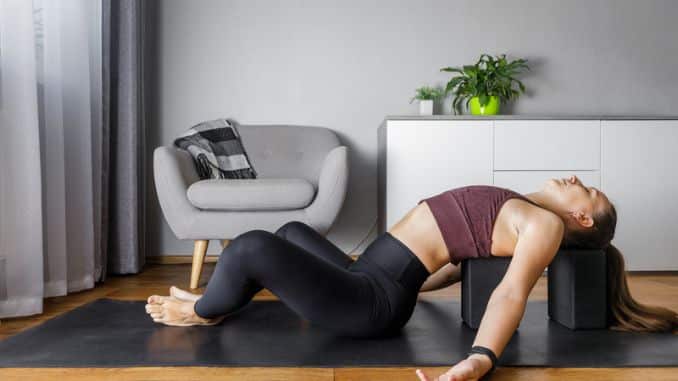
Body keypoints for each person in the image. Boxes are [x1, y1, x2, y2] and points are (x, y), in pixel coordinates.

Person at [146, 175, 678, 381]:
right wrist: (418, 284)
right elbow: (451, 257)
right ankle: (225, 296)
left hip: (371, 301)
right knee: (291, 229)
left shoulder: (540, 225)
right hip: (373, 277)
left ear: (582, 218)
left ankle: (202, 310)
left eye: (588, 191)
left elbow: (512, 291)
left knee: (252, 246)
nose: (577, 180)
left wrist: (480, 358)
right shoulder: (521, 206)